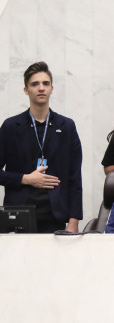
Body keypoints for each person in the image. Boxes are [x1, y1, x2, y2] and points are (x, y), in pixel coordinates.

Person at [0, 61, 83, 233]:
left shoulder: (67, 127)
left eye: (46, 83)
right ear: (26, 90)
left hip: (55, 217)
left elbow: (75, 178)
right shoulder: (10, 126)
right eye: (35, 84)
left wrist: (73, 222)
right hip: (18, 216)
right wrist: (25, 178)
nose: (41, 88)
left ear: (52, 89)